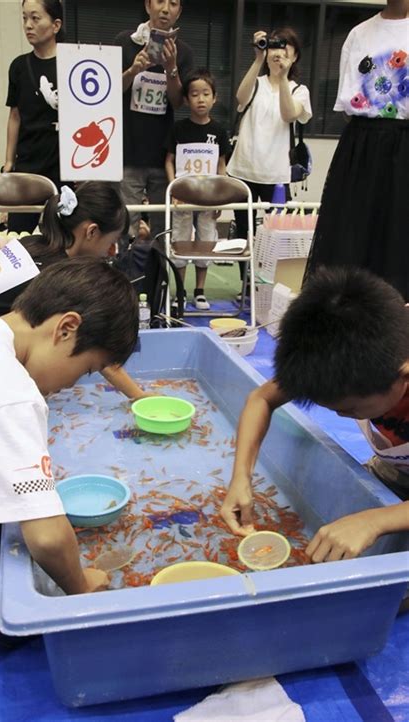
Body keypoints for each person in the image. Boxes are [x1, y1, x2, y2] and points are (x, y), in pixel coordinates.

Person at [0, 258, 139, 648]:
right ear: (66, 328)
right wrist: (80, 587)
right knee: (12, 624)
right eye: (85, 370)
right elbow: (46, 538)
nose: (71, 385)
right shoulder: (7, 391)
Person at [220, 267, 409, 563]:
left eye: (351, 410)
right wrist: (241, 477)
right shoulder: (366, 347)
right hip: (396, 465)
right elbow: (261, 398)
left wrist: (375, 521)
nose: (345, 417)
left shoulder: (388, 360)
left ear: (403, 377)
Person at [0, 182, 149, 401]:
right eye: (111, 243)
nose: (111, 253)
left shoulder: (33, 243)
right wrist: (138, 396)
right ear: (92, 232)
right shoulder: (59, 276)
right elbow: (95, 341)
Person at [304, 0, 409, 301]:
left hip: (404, 150)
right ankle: (348, 333)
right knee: (351, 242)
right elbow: (348, 107)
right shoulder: (359, 34)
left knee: (399, 242)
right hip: (362, 149)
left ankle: (400, 338)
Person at [226, 27, 312, 299]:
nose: (278, 53)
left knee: (279, 235)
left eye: (285, 48)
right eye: (274, 47)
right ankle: (246, 288)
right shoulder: (258, 82)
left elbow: (289, 114)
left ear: (295, 55)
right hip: (242, 169)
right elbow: (240, 98)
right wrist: (257, 59)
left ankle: (275, 288)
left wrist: (283, 77)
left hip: (277, 174)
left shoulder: (299, 90)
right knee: (244, 232)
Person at [114, 0, 193, 243]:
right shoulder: (125, 42)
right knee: (126, 227)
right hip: (128, 151)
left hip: (163, 153)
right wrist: (132, 70)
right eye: (159, 1)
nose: (166, 8)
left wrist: (171, 68)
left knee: (162, 228)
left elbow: (178, 102)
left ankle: (159, 281)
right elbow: (108, 92)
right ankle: (123, 279)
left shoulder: (184, 52)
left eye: (173, 3)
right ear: (148, 5)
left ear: (179, 12)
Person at [165, 68, 228, 310]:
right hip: (182, 198)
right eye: (194, 94)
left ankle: (199, 292)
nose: (200, 99)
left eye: (205, 94)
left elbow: (221, 165)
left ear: (214, 97)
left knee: (206, 241)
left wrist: (220, 197)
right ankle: (179, 292)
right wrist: (173, 189)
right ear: (186, 98)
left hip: (208, 199)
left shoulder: (219, 131)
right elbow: (169, 160)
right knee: (179, 240)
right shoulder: (178, 129)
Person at [4, 0, 64, 234]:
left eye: (36, 18)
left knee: (62, 235)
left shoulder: (74, 62)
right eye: (24, 18)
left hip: (63, 160)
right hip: (28, 159)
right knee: (18, 235)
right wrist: (9, 161)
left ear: (55, 25)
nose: (28, 25)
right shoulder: (18, 66)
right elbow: (15, 115)